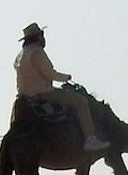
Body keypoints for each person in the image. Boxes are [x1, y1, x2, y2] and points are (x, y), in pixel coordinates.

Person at [15, 23, 109, 153]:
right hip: (43, 93)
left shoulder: (21, 55)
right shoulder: (37, 52)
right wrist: (66, 77)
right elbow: (49, 73)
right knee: (81, 102)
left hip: (24, 96)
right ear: (38, 37)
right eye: (42, 35)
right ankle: (90, 139)